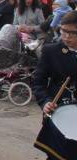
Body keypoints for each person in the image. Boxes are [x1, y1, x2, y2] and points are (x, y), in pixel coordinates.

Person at [33, 11, 77, 159]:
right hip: (59, 111)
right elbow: (38, 82)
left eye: (73, 33)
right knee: (56, 154)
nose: (67, 37)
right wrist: (45, 102)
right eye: (63, 31)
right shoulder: (51, 51)